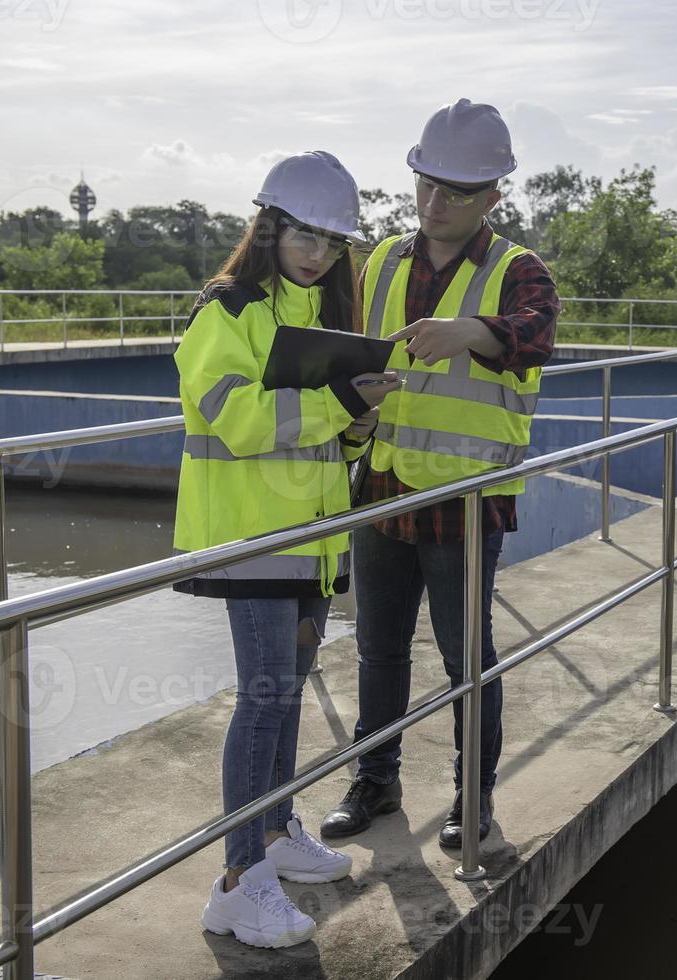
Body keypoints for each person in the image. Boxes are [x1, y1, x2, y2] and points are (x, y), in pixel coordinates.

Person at [173, 150, 399, 948]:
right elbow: (236, 421)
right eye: (307, 235)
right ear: (268, 226)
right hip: (250, 539)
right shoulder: (226, 310)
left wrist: (357, 422)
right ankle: (238, 882)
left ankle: (274, 833)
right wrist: (335, 401)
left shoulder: (314, 317)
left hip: (311, 540)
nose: (319, 254)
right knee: (264, 697)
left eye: (334, 243)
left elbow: (318, 439)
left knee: (288, 693)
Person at [319, 100, 559, 850]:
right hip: (382, 484)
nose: (434, 202)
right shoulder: (383, 261)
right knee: (378, 649)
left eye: (456, 191)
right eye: (426, 184)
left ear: (492, 195)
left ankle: (471, 797)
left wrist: (473, 332)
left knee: (465, 659)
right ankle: (375, 781)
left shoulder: (517, 271)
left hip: (464, 496)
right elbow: (345, 344)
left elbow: (537, 337)